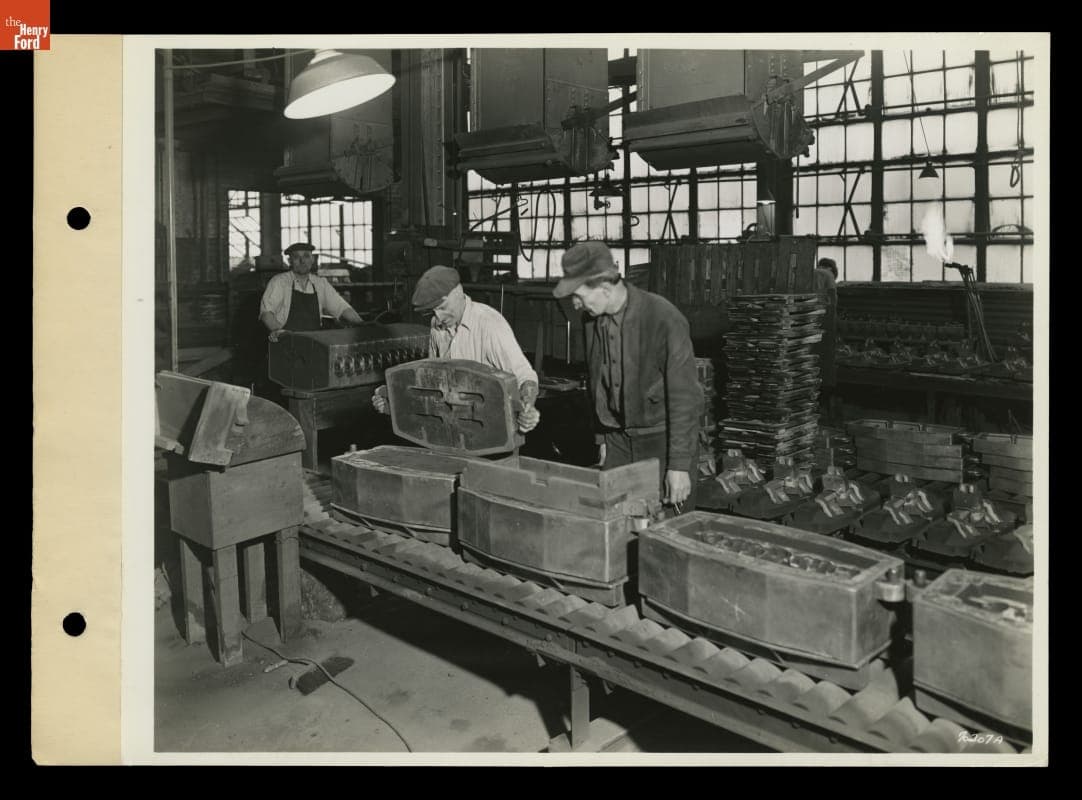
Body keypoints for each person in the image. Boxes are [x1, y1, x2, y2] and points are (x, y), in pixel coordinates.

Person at [554, 241, 703, 513]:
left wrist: (679, 465)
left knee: (667, 527)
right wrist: (602, 439)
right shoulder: (592, 320)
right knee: (615, 522)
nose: (575, 305)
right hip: (618, 442)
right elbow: (597, 382)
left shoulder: (663, 318)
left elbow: (685, 398)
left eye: (578, 295)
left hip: (662, 442)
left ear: (604, 288)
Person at [372, 265, 541, 434]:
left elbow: (524, 375)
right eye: (432, 311)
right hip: (452, 427)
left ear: (458, 293)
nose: (439, 317)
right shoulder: (437, 326)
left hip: (490, 429)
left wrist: (527, 409)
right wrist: (392, 402)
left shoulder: (489, 324)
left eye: (443, 307)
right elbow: (433, 379)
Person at [259, 242, 364, 341]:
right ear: (290, 261)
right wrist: (278, 331)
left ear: (312, 259)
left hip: (314, 342)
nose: (302, 261)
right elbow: (266, 312)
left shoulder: (320, 284)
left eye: (306, 256)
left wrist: (362, 324)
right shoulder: (279, 282)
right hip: (286, 342)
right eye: (296, 257)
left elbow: (342, 308)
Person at [814, 257, 839, 418]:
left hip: (808, 322)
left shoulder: (810, 272)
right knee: (826, 367)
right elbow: (832, 302)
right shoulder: (828, 276)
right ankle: (824, 408)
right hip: (825, 323)